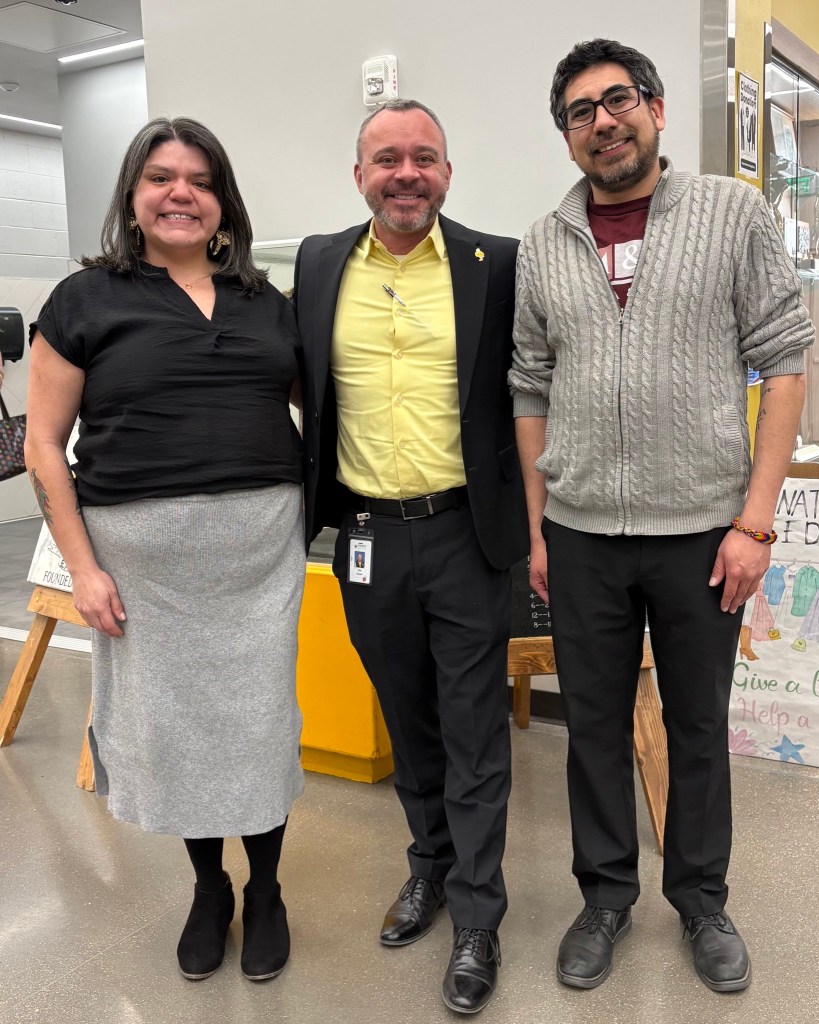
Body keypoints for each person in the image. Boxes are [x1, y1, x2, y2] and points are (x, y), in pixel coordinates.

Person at [510, 39, 814, 994]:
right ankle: (605, 897)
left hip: (702, 533)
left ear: (656, 109)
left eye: (619, 100)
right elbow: (529, 386)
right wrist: (539, 528)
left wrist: (754, 524)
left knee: (696, 727)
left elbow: (786, 363)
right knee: (592, 728)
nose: (603, 122)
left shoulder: (730, 213)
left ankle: (701, 899)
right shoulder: (543, 242)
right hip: (582, 533)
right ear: (566, 137)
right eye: (580, 112)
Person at [24, 117, 305, 983]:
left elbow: (324, 400)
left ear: (223, 202)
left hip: (261, 557)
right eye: (160, 177)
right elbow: (43, 445)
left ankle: (266, 890)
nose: (181, 193)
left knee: (258, 727)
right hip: (145, 568)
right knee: (178, 734)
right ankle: (209, 888)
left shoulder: (266, 301)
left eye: (200, 180)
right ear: (133, 195)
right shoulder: (83, 300)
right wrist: (82, 570)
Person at [294, 99, 527, 1014]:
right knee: (407, 716)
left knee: (474, 729)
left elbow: (533, 390)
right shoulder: (318, 262)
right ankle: (428, 864)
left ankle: (477, 916)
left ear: (448, 173)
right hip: (364, 536)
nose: (406, 174)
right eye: (387, 158)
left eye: (424, 157)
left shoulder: (496, 263)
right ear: (359, 176)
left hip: (467, 532)